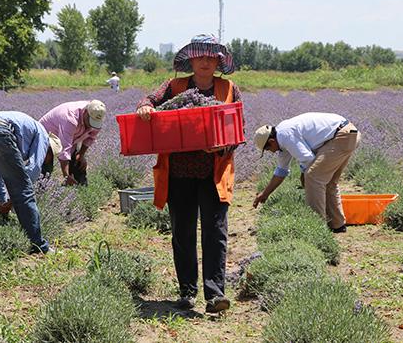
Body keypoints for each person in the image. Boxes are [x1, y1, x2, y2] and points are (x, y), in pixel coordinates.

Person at [136, 34, 241, 313]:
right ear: (191, 59)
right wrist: (146, 106)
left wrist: (219, 147)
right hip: (178, 174)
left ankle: (215, 295)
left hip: (214, 174)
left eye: (212, 57)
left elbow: (237, 131)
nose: (206, 62)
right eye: (200, 56)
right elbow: (150, 99)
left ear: (219, 61)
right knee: (182, 233)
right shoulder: (175, 87)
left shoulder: (229, 88)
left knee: (215, 232)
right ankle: (187, 292)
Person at [0, 111, 62, 254]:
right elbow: (33, 169)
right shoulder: (43, 136)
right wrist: (10, 203)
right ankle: (38, 245)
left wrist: (3, 201)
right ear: (49, 151)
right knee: (24, 190)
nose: (48, 161)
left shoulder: (26, 135)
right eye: (51, 157)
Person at [252, 113, 361, 233]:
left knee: (313, 177)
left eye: (268, 149)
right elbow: (281, 171)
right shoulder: (282, 138)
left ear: (272, 141)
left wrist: (304, 177)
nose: (271, 152)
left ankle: (317, 228)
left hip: (341, 136)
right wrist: (265, 194)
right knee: (328, 182)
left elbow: (307, 158)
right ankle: (337, 225)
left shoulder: (285, 135)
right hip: (348, 133)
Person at [39, 100, 106, 185]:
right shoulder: (70, 118)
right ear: (85, 112)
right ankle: (40, 189)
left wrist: (81, 155)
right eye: (90, 121)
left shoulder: (97, 116)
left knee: (78, 161)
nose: (91, 125)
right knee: (47, 158)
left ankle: (81, 188)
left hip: (71, 136)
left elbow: (91, 137)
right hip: (47, 133)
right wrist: (66, 175)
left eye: (95, 122)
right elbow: (64, 149)